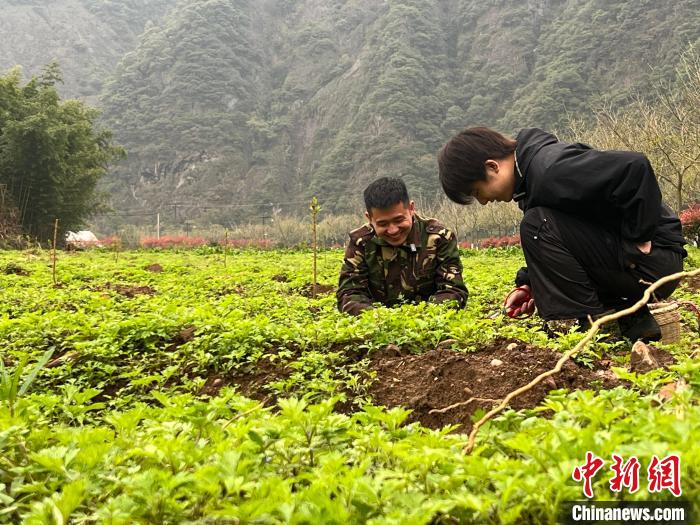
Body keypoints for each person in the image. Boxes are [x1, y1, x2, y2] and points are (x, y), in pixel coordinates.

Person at [437, 127, 687, 341]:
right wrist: (530, 283)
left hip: (655, 262)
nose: (483, 202)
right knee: (539, 225)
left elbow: (634, 167)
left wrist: (639, 236)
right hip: (641, 263)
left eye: (478, 192)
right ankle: (632, 319)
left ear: (492, 167)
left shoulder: (549, 169)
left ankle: (587, 324)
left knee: (537, 225)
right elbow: (574, 236)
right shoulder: (530, 180)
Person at [337, 177, 469, 315]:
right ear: (369, 218)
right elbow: (348, 294)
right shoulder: (361, 242)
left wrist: (421, 317)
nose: (393, 230)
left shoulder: (438, 238)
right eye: (383, 224)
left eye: (399, 220)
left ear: (411, 208)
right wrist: (380, 318)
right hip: (377, 326)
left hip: (429, 324)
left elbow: (454, 290)